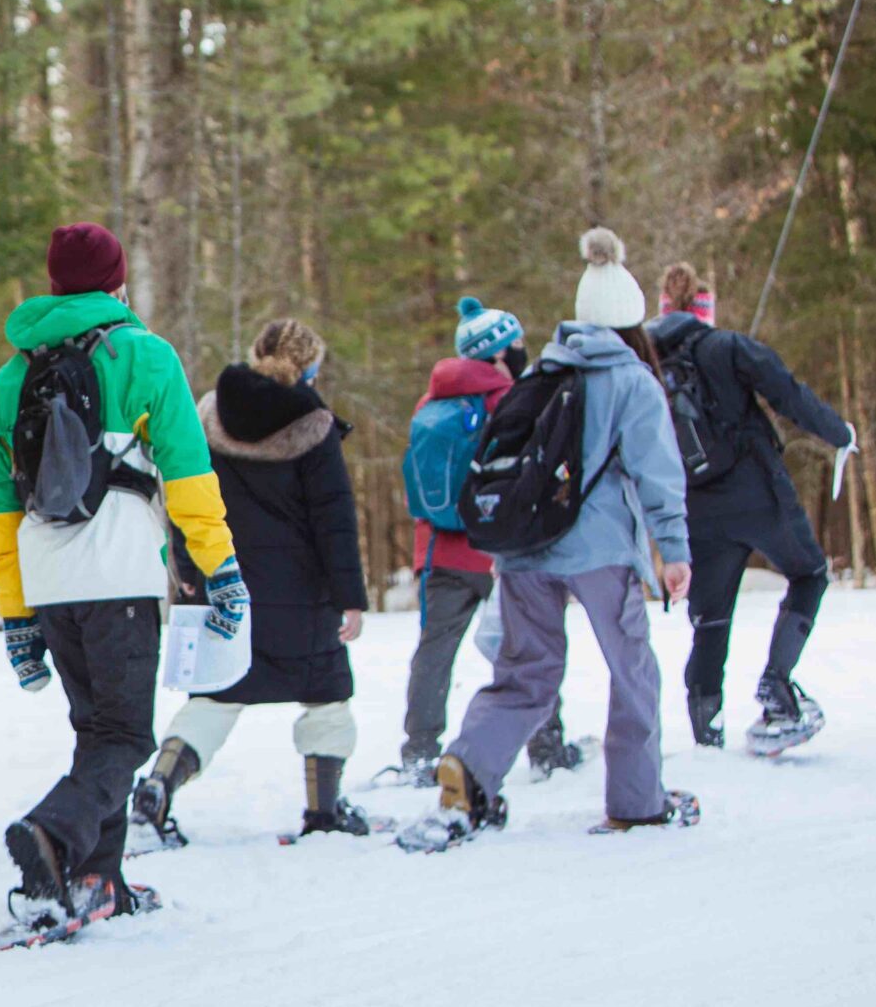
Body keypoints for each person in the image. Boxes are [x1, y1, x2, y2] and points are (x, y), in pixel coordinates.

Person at [0, 223, 243, 938]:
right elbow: (189, 478)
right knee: (124, 735)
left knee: (95, 731)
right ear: (118, 283)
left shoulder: (12, 378)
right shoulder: (146, 357)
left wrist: (16, 613)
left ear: (55, 283)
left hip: (49, 577)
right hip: (121, 575)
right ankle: (54, 834)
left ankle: (101, 876)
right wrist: (221, 568)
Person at [401, 230, 698, 849]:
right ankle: (637, 802)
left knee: (526, 672)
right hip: (600, 554)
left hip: (524, 550)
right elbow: (657, 476)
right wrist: (673, 551)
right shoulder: (634, 381)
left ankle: (470, 767)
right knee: (632, 670)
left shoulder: (541, 370)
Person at [133, 319, 369, 846]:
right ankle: (323, 812)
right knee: (326, 696)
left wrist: (189, 573)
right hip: (303, 593)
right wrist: (350, 597)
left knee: (216, 697)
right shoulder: (313, 422)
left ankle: (158, 786)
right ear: (308, 366)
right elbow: (334, 518)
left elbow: (182, 496)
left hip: (226, 583)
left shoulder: (209, 413)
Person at [647, 260, 852, 752]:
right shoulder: (727, 346)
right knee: (809, 573)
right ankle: (776, 686)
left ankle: (706, 733)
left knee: (711, 618)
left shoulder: (645, 366)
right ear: (704, 310)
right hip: (759, 494)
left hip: (694, 510)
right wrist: (840, 434)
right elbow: (789, 394)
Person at [381, 298, 580, 785]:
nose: (520, 354)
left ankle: (421, 750)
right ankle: (547, 746)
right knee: (528, 646)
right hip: (500, 550)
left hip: (439, 551)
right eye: (515, 347)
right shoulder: (512, 398)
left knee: (434, 653)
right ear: (494, 355)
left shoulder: (431, 402)